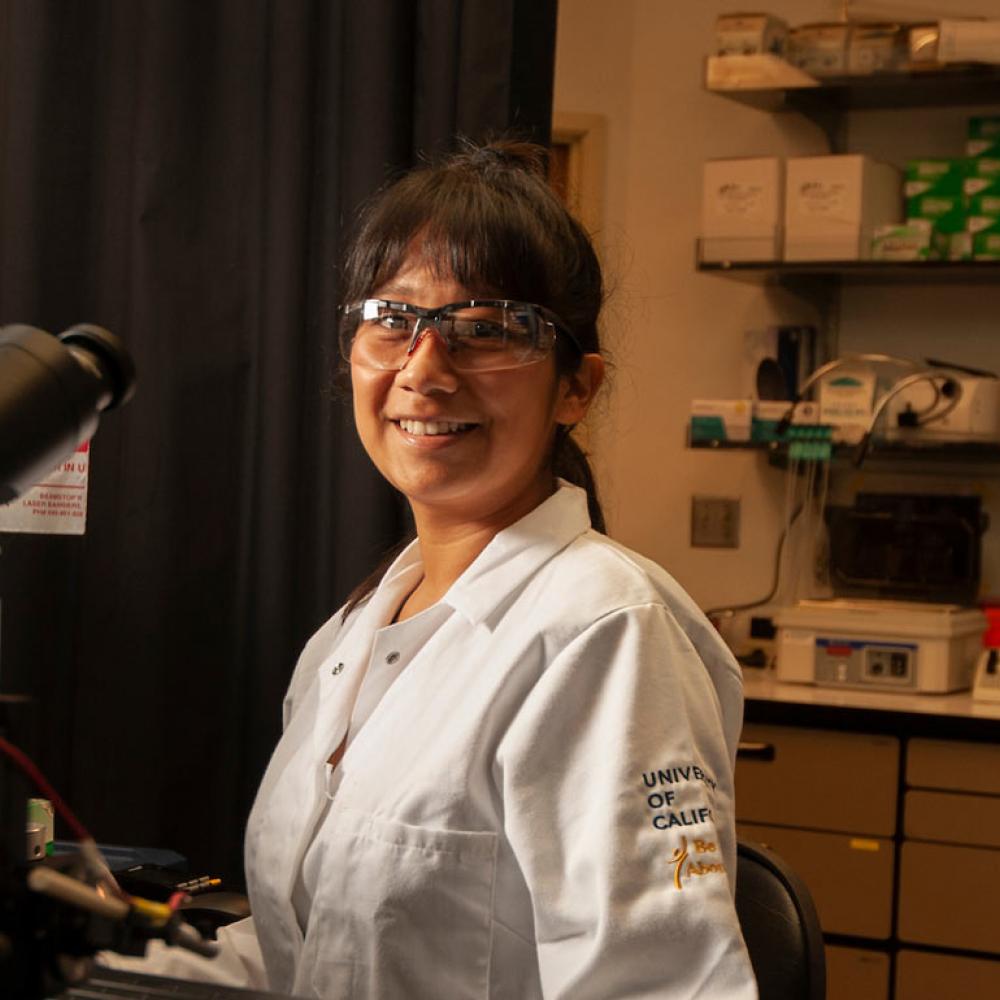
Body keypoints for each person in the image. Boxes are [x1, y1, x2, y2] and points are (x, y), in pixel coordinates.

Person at [102, 140, 757, 998]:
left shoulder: (606, 632)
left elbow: (664, 985)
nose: (422, 369)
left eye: (484, 331)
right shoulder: (356, 630)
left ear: (577, 388)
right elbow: (304, 955)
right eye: (392, 320)